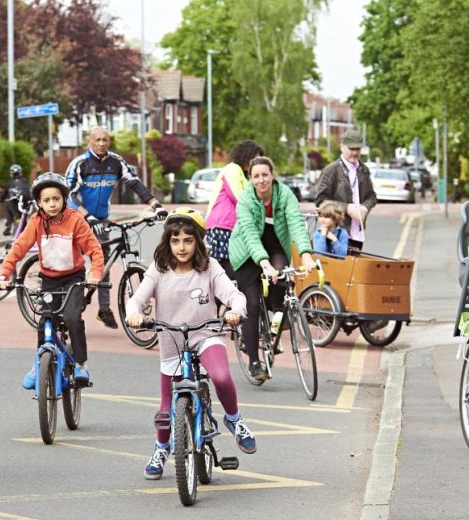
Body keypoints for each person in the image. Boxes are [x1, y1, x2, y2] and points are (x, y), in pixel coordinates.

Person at [125, 209, 257, 480]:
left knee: (220, 377)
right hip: (172, 340)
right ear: (167, 242)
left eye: (188, 240)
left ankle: (233, 419)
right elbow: (137, 299)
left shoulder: (209, 267)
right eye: (175, 241)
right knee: (165, 409)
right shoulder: (159, 269)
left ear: (198, 241)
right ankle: (161, 448)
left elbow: (233, 294)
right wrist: (133, 314)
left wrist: (236, 310)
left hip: (206, 335)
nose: (181, 247)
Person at [0, 172, 104, 388]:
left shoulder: (75, 220)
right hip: (49, 279)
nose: (52, 204)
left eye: (56, 199)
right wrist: (4, 274)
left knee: (72, 318)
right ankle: (39, 364)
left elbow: (94, 249)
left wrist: (95, 274)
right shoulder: (36, 222)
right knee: (45, 320)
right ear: (39, 203)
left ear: (64, 198)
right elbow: (18, 248)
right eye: (46, 200)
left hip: (73, 278)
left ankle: (81, 364)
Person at [66, 126, 167, 329]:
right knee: (72, 264)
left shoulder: (115, 162)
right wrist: (88, 216)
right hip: (76, 219)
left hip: (100, 220)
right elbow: (69, 194)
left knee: (103, 262)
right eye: (98, 140)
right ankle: (65, 301)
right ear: (89, 141)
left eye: (105, 139)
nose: (102, 143)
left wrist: (155, 205)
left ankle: (104, 308)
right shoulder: (80, 164)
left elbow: (135, 183)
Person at [229, 156, 316, 382]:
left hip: (274, 242)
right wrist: (263, 263)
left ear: (272, 175)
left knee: (284, 279)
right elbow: (249, 234)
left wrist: (305, 254)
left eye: (265, 175)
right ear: (251, 178)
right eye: (256, 176)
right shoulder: (246, 200)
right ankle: (254, 362)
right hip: (246, 252)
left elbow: (296, 223)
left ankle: (275, 323)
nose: (261, 180)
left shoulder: (285, 194)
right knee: (252, 302)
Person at [204, 140, 265, 281]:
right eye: (254, 158)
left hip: (234, 228)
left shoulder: (243, 175)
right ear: (245, 155)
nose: (256, 163)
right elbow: (238, 196)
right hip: (222, 226)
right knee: (228, 270)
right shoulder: (231, 169)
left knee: (228, 271)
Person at [313, 129, 377, 252]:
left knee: (354, 270)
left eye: (357, 149)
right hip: (335, 232)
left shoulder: (364, 170)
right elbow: (320, 201)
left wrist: (365, 208)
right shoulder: (331, 170)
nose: (354, 152)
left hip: (357, 234)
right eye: (351, 149)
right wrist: (347, 208)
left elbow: (372, 196)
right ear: (342, 147)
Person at [0, 164, 32, 236]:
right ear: (21, 173)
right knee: (23, 218)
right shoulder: (25, 182)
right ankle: (25, 233)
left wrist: (1, 200)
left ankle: (8, 225)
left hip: (13, 205)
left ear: (11, 174)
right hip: (24, 205)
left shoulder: (10, 183)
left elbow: (4, 194)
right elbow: (29, 193)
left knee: (9, 209)